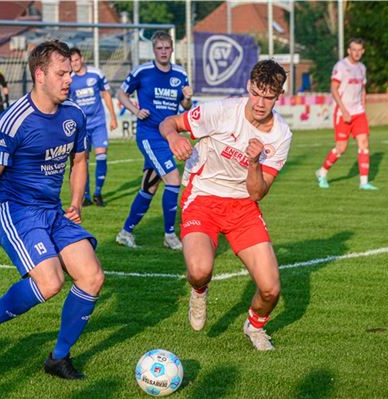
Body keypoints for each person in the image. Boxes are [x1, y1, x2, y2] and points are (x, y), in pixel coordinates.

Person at [0, 40, 104, 380]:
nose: (69, 79)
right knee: (50, 282)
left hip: (52, 210)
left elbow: (80, 161)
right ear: (40, 75)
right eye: (61, 73)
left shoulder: (75, 115)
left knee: (92, 276)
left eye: (70, 72)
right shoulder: (14, 120)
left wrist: (74, 202)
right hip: (15, 210)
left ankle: (58, 358)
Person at [159, 59, 292, 351]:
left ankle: (255, 327)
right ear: (249, 87)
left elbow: (257, 194)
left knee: (271, 289)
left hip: (243, 207)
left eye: (268, 97)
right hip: (203, 198)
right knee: (199, 270)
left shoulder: (281, 135)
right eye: (256, 93)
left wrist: (254, 162)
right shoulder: (221, 111)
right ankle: (199, 290)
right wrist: (173, 138)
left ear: (278, 96)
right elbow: (169, 122)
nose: (260, 103)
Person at [115, 31, 193, 250]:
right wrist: (134, 110)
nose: (163, 52)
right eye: (159, 48)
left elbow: (186, 107)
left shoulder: (180, 73)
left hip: (168, 136)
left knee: (148, 188)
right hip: (149, 135)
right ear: (154, 50)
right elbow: (121, 94)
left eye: (167, 48)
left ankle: (125, 232)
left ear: (172, 49)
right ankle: (169, 235)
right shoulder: (143, 71)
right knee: (174, 180)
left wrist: (187, 97)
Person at [315, 38, 378, 190]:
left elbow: (363, 88)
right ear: (349, 50)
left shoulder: (362, 68)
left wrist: (363, 105)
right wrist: (343, 110)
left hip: (358, 113)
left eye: (359, 50)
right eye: (353, 49)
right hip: (343, 113)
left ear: (362, 51)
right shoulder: (341, 66)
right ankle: (322, 172)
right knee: (341, 148)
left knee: (364, 145)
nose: (356, 52)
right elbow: (334, 89)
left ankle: (364, 183)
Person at [69, 47, 118, 207]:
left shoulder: (96, 73)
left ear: (81, 58)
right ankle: (86, 196)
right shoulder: (69, 79)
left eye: (76, 60)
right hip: (81, 127)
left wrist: (113, 117)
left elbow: (105, 94)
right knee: (83, 160)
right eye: (71, 61)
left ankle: (98, 192)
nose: (74, 63)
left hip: (98, 124)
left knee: (102, 156)